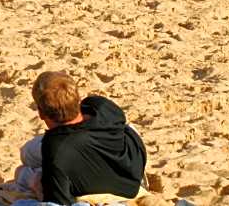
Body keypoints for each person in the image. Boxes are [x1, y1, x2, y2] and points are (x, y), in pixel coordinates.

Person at [18, 71, 146, 205]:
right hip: (129, 174)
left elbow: (59, 200)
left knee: (24, 167)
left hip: (94, 178)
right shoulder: (100, 106)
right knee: (30, 153)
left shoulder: (56, 146)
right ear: (77, 100)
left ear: (41, 113)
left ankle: (28, 176)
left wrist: (37, 185)